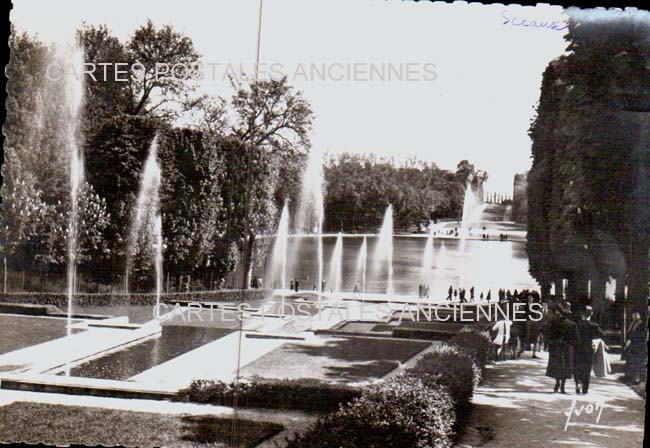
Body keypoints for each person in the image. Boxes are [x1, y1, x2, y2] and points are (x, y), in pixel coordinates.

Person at [544, 302, 578, 393]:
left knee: (557, 365)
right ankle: (562, 386)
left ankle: (557, 382)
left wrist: (549, 344)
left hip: (556, 346)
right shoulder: (572, 325)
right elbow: (576, 338)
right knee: (566, 366)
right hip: (567, 347)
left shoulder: (554, 323)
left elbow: (549, 334)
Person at [574, 306, 605, 394]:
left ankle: (577, 383)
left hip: (577, 349)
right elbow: (603, 334)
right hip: (588, 350)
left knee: (577, 367)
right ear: (591, 314)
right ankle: (585, 388)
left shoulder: (576, 325)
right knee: (586, 369)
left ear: (582, 314)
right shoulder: (594, 326)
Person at [624, 311, 646, 385]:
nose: (634, 316)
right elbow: (629, 333)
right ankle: (629, 377)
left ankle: (635, 378)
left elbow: (637, 334)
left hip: (637, 346)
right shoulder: (632, 323)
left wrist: (630, 340)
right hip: (631, 345)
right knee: (630, 361)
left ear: (639, 315)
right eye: (633, 314)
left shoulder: (641, 324)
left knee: (636, 362)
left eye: (636, 314)